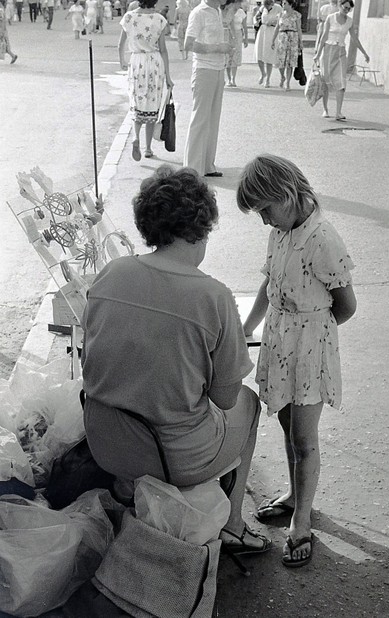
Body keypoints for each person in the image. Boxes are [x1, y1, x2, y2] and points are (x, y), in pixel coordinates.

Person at [81, 164, 271, 556]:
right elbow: (226, 399)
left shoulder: (111, 273)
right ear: (202, 228)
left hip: (104, 441)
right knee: (250, 405)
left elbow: (96, 357)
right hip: (171, 457)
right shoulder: (213, 296)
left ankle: (128, 489)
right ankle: (233, 526)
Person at [236, 153, 357, 567]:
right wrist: (248, 326)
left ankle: (302, 522)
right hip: (280, 341)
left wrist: (312, 332)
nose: (264, 220)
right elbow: (269, 280)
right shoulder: (281, 231)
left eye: (265, 209)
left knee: (305, 439)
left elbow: (346, 305)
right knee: (288, 428)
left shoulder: (323, 237)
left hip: (308, 349)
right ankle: (293, 494)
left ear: (285, 194)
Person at [183, 0, 234, 177]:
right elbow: (188, 44)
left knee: (213, 120)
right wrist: (217, 48)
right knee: (200, 119)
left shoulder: (217, 11)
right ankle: (192, 169)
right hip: (204, 69)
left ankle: (206, 165)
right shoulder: (199, 12)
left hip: (218, 69)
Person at [118, 0, 174, 160]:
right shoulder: (159, 19)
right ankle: (148, 148)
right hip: (155, 63)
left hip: (137, 63)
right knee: (152, 104)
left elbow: (120, 45)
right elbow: (163, 50)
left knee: (137, 101)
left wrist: (122, 61)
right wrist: (168, 77)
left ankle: (136, 137)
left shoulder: (128, 17)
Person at [314, 0, 369, 120]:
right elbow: (323, 37)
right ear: (340, 6)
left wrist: (364, 53)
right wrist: (317, 54)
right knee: (326, 81)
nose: (346, 10)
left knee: (341, 82)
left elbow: (354, 39)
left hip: (341, 53)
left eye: (349, 9)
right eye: (345, 7)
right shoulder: (330, 18)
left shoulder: (349, 21)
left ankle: (338, 112)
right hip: (328, 51)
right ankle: (325, 109)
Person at [271, 0, 302, 91]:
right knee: (281, 61)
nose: (283, 5)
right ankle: (282, 77)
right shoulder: (280, 14)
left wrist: (301, 42)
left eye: (285, 3)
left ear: (290, 4)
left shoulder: (296, 15)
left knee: (290, 62)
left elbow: (299, 29)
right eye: (282, 3)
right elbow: (277, 28)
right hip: (282, 38)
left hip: (293, 38)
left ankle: (288, 82)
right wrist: (273, 40)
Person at [254, 0, 282, 87]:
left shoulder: (278, 8)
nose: (266, 6)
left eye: (267, 5)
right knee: (259, 55)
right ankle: (263, 73)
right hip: (263, 31)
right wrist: (255, 22)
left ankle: (268, 79)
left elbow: (282, 19)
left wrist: (277, 23)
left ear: (272, 4)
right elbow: (256, 16)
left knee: (269, 55)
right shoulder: (262, 8)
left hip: (272, 32)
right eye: (264, 5)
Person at [222, 0, 248, 87]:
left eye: (240, 3)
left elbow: (244, 26)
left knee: (235, 57)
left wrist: (246, 38)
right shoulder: (228, 10)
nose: (239, 4)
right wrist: (232, 36)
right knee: (228, 56)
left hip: (237, 34)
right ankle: (229, 78)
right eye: (238, 2)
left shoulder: (241, 12)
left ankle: (233, 78)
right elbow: (230, 25)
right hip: (228, 34)